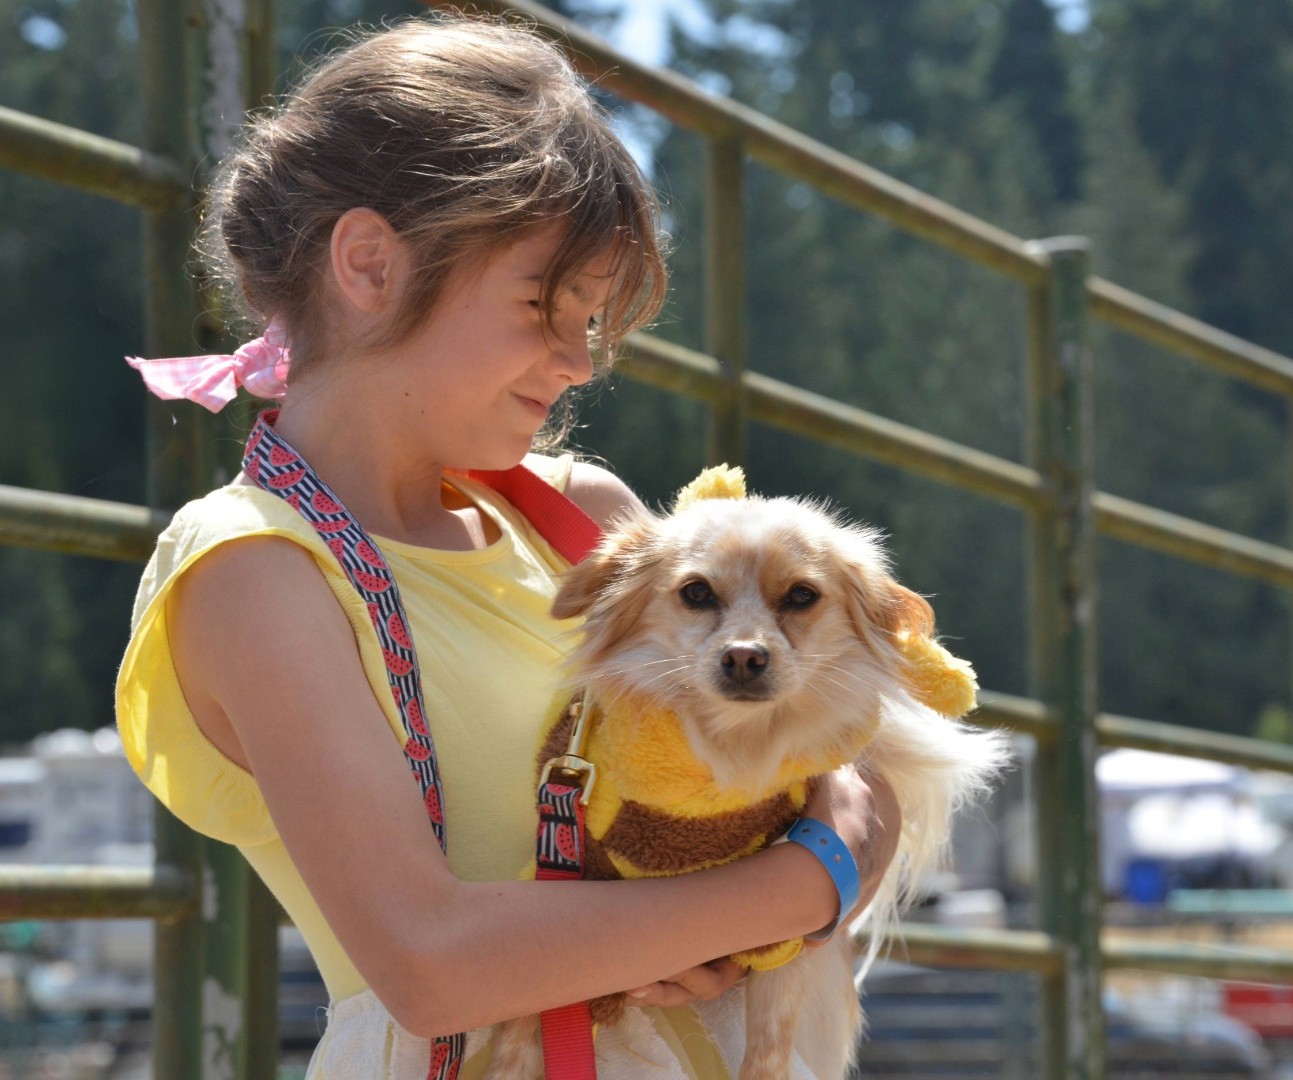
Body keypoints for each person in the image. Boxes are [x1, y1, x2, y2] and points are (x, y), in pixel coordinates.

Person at [115, 15, 899, 1079]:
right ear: (368, 264)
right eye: (543, 305)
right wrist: (798, 889)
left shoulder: (586, 518)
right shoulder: (254, 566)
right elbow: (432, 962)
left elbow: (861, 787)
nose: (578, 361)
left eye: (592, 317)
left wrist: (761, 905)